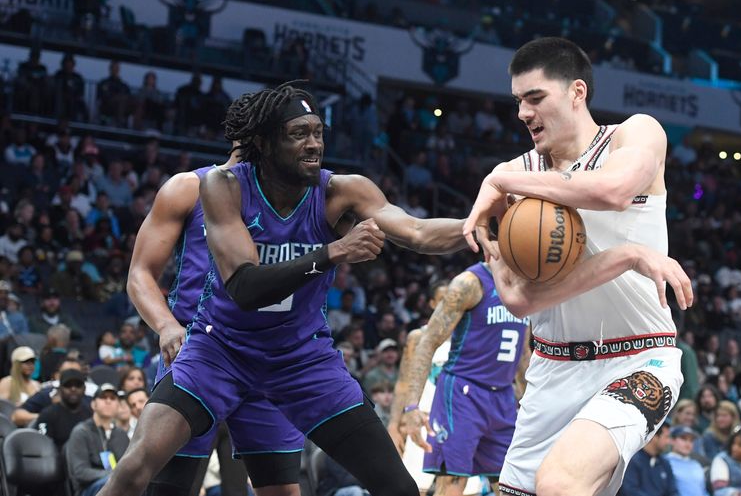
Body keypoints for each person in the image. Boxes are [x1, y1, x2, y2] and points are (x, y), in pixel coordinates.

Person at [98, 82, 468, 496]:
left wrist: (481, 226)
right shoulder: (212, 185)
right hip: (213, 350)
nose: (314, 144)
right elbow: (240, 285)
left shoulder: (338, 191)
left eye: (318, 133)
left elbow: (416, 230)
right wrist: (166, 325)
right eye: (298, 133)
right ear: (263, 142)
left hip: (296, 358)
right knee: (142, 477)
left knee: (383, 487)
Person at [462, 37, 692, 496]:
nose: (523, 113)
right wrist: (625, 256)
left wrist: (499, 178)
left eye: (535, 98)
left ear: (577, 92)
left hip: (639, 357)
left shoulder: (635, 133)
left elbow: (614, 190)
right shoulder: (514, 179)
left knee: (559, 481)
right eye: (517, 102)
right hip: (551, 373)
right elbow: (519, 300)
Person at [123, 98, 290, 496]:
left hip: (263, 364)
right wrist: (165, 326)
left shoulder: (293, 200)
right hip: (197, 356)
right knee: (167, 487)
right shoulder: (188, 187)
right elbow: (140, 273)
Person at [394, 262, 531, 496]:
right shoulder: (470, 283)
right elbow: (424, 347)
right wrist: (409, 408)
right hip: (463, 393)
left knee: (511, 484)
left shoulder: (526, 287)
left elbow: (523, 355)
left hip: (503, 396)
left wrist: (530, 402)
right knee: (453, 485)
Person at [66, 383, 130, 496]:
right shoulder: (81, 432)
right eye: (103, 397)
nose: (108, 401)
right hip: (89, 489)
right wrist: (113, 475)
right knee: (111, 483)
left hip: (118, 485)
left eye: (113, 398)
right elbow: (81, 472)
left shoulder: (121, 435)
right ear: (93, 404)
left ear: (118, 406)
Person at [34, 368, 92, 450]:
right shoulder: (47, 415)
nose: (73, 389)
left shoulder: (91, 414)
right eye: (68, 385)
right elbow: (41, 448)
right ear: (60, 389)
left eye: (78, 385)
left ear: (84, 389)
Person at [619, 423, 677, 496]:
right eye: (666, 437)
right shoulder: (632, 460)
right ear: (654, 436)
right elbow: (629, 491)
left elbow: (673, 491)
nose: (669, 442)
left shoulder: (665, 463)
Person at [665, 426, 708, 496]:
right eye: (683, 439)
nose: (688, 444)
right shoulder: (665, 462)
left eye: (691, 441)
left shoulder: (696, 465)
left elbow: (703, 491)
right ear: (672, 440)